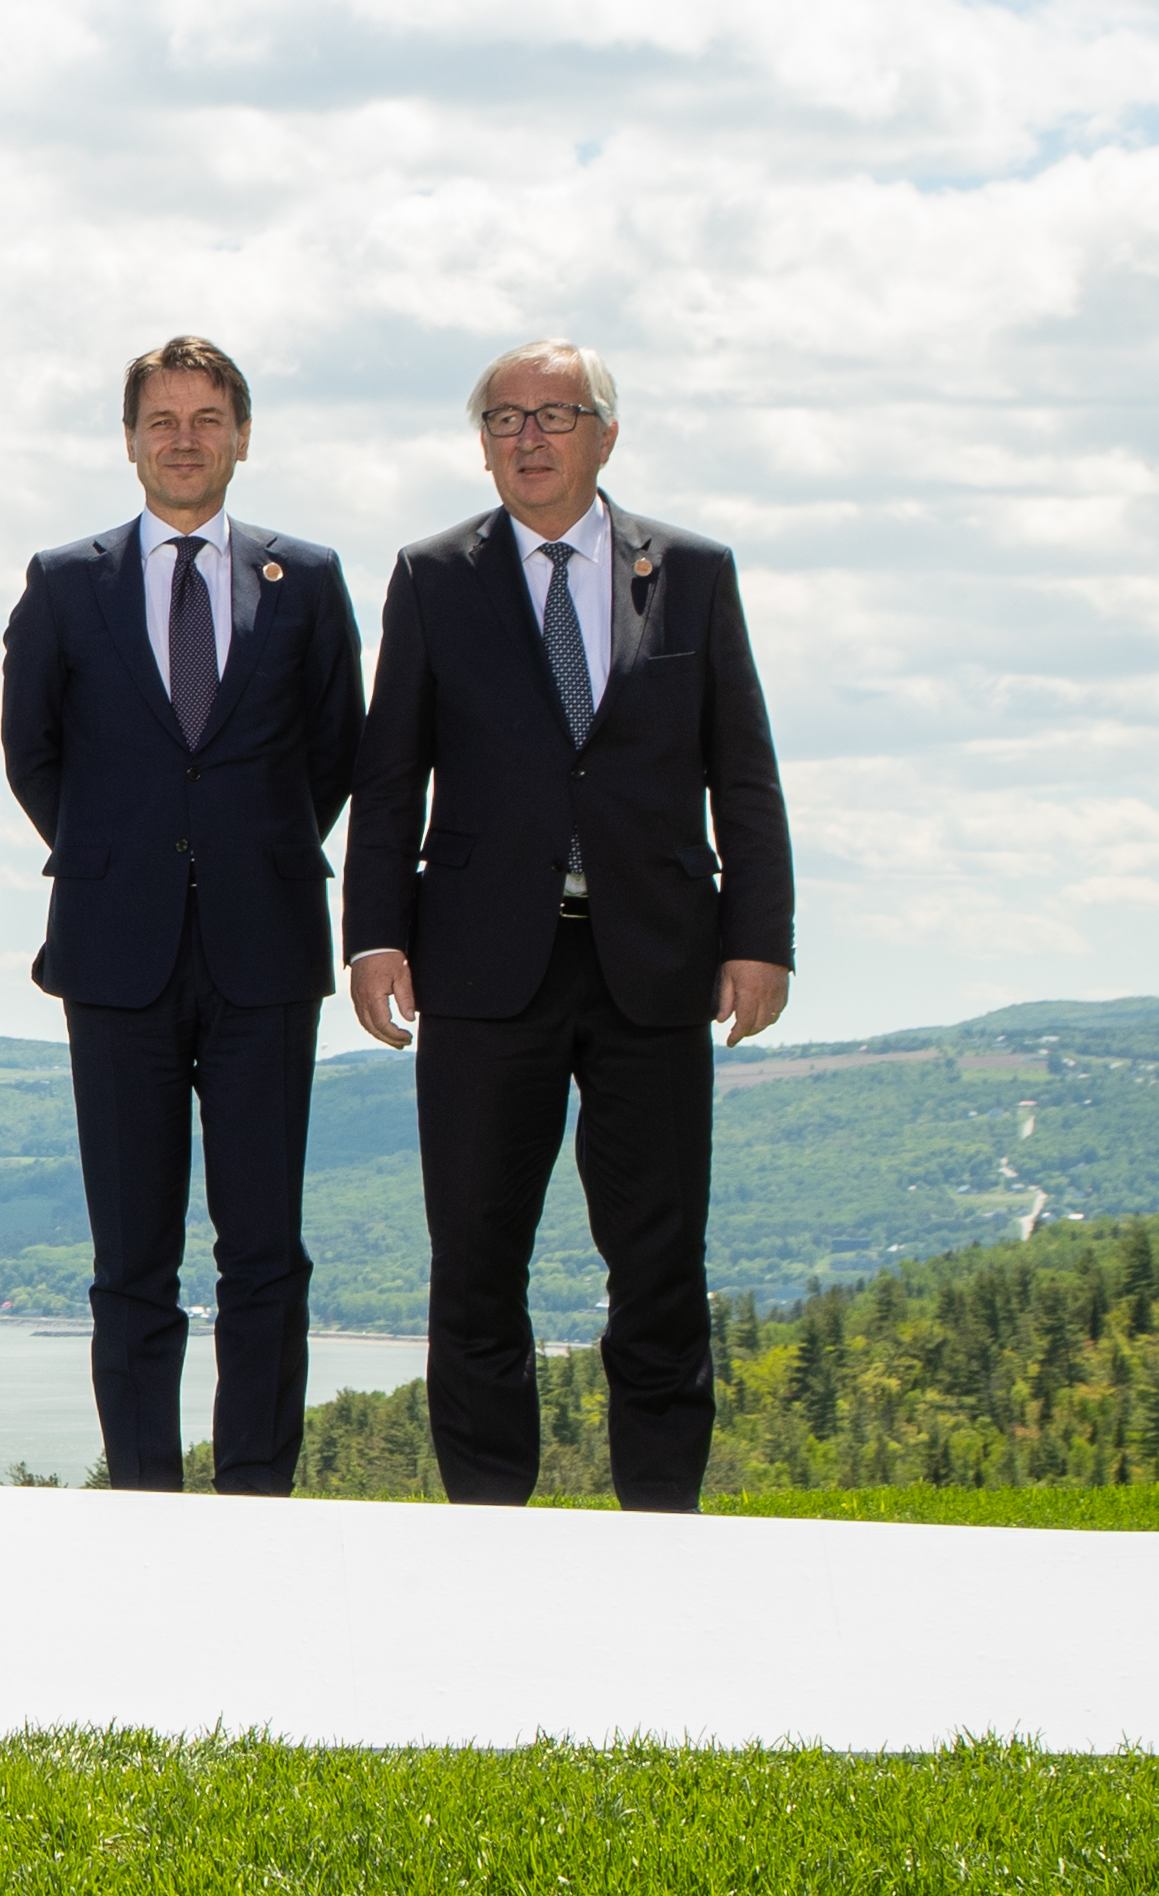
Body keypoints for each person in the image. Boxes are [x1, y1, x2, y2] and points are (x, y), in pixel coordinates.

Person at [345, 339, 793, 1513]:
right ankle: (488, 1523)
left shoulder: (689, 571)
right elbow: (388, 777)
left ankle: (658, 1522)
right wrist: (373, 934)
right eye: (502, 419)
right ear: (480, 443)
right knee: (474, 1263)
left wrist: (759, 937)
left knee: (658, 1263)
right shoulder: (431, 576)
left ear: (605, 433)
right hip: (481, 965)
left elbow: (741, 768)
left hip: (654, 962)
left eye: (553, 415)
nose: (527, 439)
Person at [0, 336, 364, 1497]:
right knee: (129, 1260)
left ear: (241, 436)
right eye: (160, 420)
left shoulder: (305, 580)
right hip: (115, 953)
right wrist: (119, 858)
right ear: (127, 440)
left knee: (263, 1254)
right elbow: (31, 751)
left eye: (206, 419)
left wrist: (245, 852)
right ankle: (144, 1499)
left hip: (265, 952)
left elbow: (334, 751)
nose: (183, 440)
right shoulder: (65, 582)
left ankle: (254, 1493)